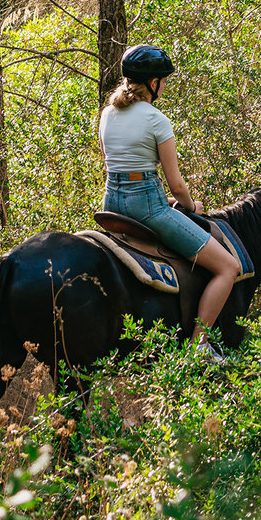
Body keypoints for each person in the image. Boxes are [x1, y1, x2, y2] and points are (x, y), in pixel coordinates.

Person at [98, 43, 241, 363]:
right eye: (163, 80)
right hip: (146, 208)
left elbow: (112, 164)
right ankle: (198, 347)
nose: (164, 85)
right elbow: (176, 183)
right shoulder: (156, 119)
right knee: (228, 267)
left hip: (111, 202)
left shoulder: (107, 113)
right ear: (153, 83)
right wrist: (190, 205)